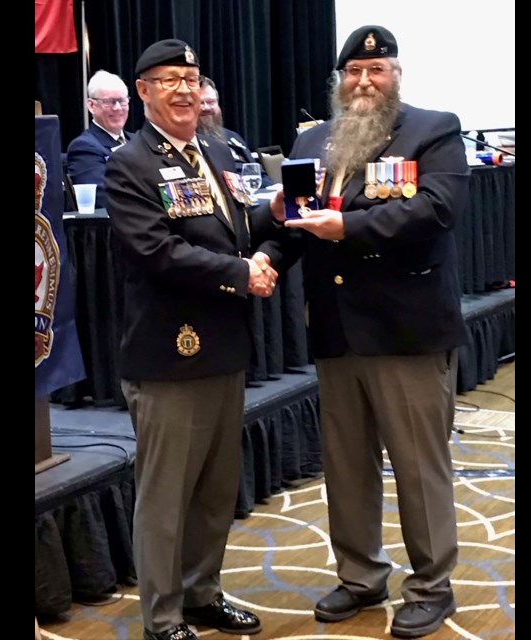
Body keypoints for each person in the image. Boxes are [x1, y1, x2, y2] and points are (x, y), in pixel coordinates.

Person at [255, 25, 470, 639]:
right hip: (335, 328)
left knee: (417, 466)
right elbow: (297, 220)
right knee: (347, 465)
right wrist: (267, 254)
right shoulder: (314, 139)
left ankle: (433, 585)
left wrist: (347, 228)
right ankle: (360, 575)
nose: (365, 81)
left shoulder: (433, 129)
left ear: (396, 74)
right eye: (354, 71)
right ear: (339, 80)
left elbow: (436, 209)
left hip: (406, 330)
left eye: (377, 70)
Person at [104, 39, 282, 640]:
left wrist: (272, 216)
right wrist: (241, 273)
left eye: (191, 76)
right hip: (168, 353)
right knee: (166, 497)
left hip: (226, 347)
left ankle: (203, 593)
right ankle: (163, 616)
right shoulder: (131, 163)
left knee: (213, 489)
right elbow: (156, 251)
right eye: (168, 79)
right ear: (144, 92)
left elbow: (229, 229)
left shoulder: (214, 149)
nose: (184, 89)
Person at [66, 70, 134, 206]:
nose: (117, 108)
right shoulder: (84, 147)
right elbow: (103, 198)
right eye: (109, 102)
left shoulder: (137, 140)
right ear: (91, 105)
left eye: (122, 101)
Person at [198, 76, 274, 188]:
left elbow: (260, 175)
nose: (206, 108)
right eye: (201, 103)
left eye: (211, 102)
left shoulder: (232, 136)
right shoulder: (190, 142)